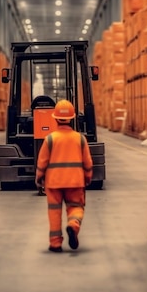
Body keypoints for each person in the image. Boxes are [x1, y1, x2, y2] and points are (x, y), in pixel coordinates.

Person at [35, 99, 93, 252]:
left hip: (53, 183)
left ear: (55, 118)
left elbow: (42, 161)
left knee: (54, 212)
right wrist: (88, 177)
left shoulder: (50, 139)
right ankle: (73, 226)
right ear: (72, 118)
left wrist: (39, 177)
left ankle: (55, 243)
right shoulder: (80, 138)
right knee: (76, 207)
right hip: (75, 181)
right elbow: (88, 162)